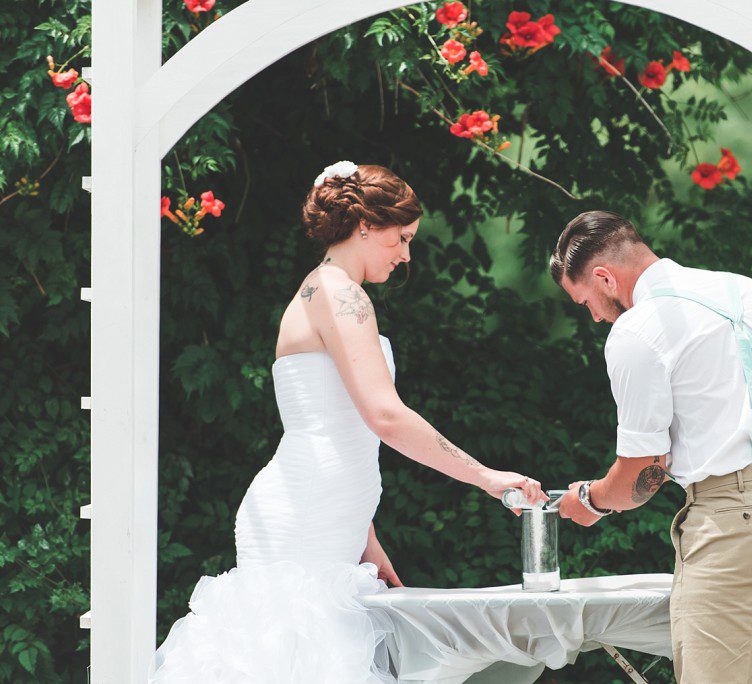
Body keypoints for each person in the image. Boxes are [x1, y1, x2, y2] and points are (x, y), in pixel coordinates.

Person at [149, 161, 546, 683]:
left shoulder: (331, 291)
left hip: (330, 517)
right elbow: (382, 416)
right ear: (365, 226)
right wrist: (487, 478)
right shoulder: (338, 292)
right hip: (305, 516)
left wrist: (365, 539)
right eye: (401, 239)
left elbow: (346, 432)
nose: (406, 255)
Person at [550, 210, 752, 683]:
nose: (595, 316)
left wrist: (590, 500)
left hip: (736, 521)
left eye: (587, 302)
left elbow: (642, 476)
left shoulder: (638, 329)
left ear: (604, 277)